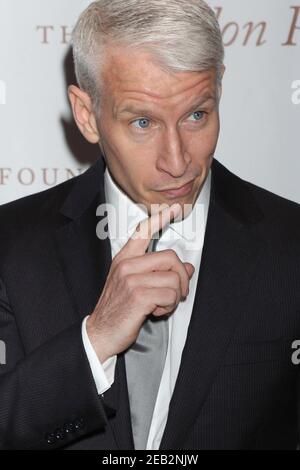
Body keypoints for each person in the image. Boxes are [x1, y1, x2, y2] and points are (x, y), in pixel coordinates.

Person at [0, 0, 299, 450]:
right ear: (87, 115)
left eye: (197, 115)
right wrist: (95, 339)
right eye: (142, 122)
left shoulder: (290, 243)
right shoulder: (11, 245)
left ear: (219, 89)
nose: (177, 162)